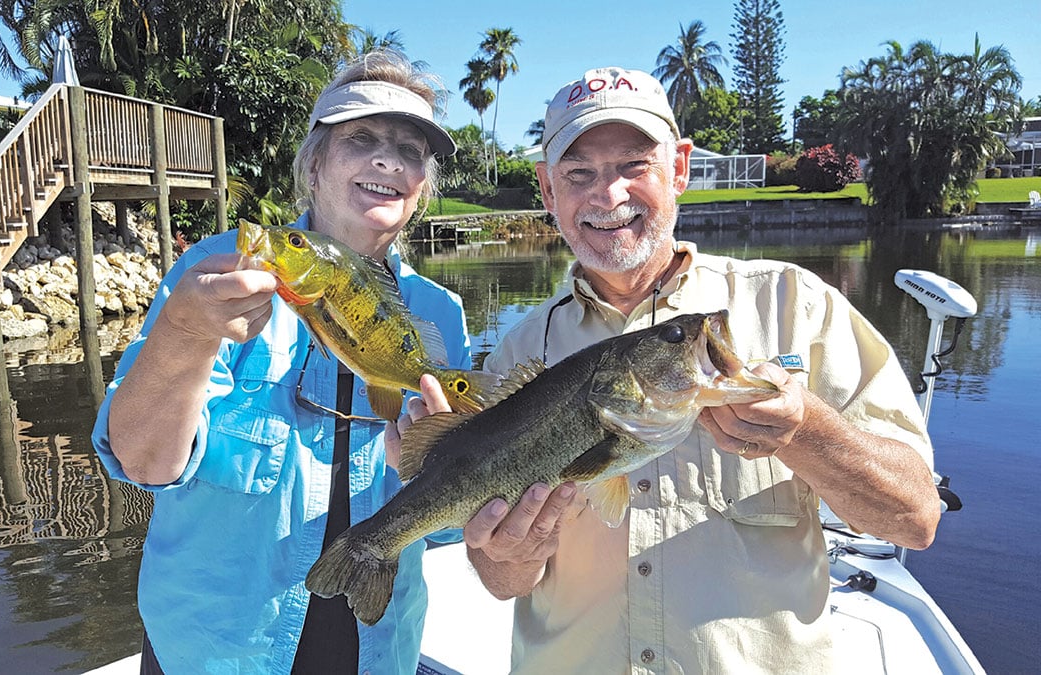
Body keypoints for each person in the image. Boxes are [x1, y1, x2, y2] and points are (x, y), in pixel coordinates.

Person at [401, 66, 940, 673]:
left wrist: (806, 431)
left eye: (635, 165)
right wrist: (509, 554)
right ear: (548, 193)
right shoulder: (516, 355)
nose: (609, 197)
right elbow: (503, 581)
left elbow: (914, 518)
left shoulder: (796, 307)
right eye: (580, 174)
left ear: (679, 168)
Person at [91, 50, 470, 674]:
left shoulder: (439, 313)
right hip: (218, 649)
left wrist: (429, 466)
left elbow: (447, 526)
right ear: (314, 163)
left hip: (375, 646)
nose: (387, 160)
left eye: (409, 150)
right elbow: (142, 461)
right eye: (362, 138)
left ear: (420, 186)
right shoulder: (216, 277)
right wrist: (184, 333)